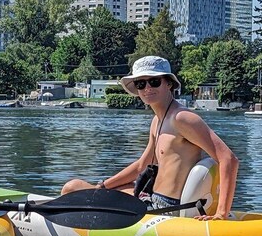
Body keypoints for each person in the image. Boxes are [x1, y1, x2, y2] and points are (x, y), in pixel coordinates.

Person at [61, 56, 239, 221]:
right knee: (85, 189)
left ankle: (70, 223)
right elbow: (141, 166)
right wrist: (102, 186)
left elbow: (228, 159)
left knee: (72, 187)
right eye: (140, 83)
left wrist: (221, 213)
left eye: (154, 82)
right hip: (151, 199)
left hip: (164, 209)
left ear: (168, 83)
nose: (147, 88)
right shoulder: (157, 121)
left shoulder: (182, 118)